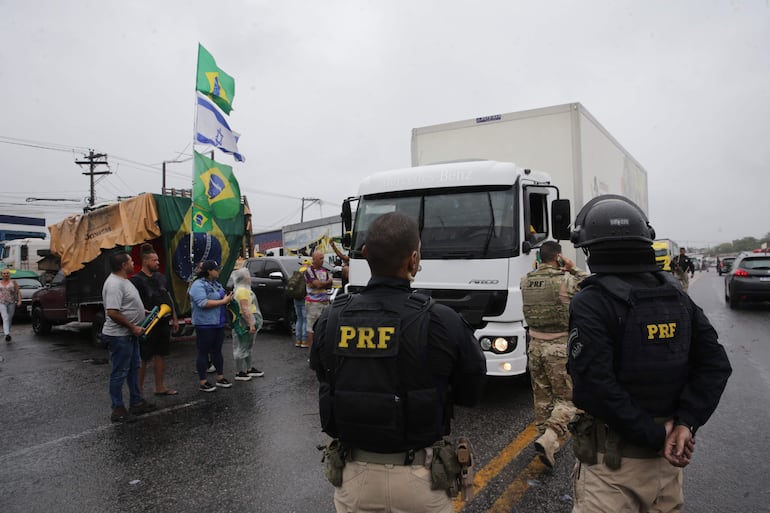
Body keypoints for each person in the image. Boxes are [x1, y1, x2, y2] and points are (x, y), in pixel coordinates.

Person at [310, 212, 487, 513]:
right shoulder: (440, 319)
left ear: (364, 254)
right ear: (414, 260)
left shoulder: (332, 318)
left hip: (354, 479)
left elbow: (323, 374)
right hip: (419, 480)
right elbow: (471, 389)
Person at [566, 195, 732, 513]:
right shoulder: (674, 294)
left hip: (613, 472)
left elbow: (595, 386)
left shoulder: (591, 301)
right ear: (645, 240)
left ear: (589, 248)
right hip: (668, 467)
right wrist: (685, 424)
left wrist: (657, 435)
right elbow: (715, 364)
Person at [520, 241, 588, 467]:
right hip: (558, 347)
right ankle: (550, 437)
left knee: (542, 398)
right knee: (568, 400)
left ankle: (545, 441)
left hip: (535, 347)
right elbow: (591, 284)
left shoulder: (526, 280)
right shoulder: (566, 280)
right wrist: (571, 267)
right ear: (558, 257)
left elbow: (534, 280)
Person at [101, 250, 157, 423]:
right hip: (120, 336)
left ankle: (136, 402)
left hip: (129, 336)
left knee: (134, 368)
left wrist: (143, 312)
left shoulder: (124, 281)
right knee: (120, 371)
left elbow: (126, 305)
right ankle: (117, 408)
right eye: (131, 261)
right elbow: (112, 312)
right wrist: (133, 327)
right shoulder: (114, 284)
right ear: (123, 265)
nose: (134, 263)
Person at [129, 244, 179, 396]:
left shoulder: (161, 277)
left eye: (158, 260)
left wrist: (175, 318)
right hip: (146, 324)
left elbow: (168, 297)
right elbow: (133, 302)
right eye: (154, 260)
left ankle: (160, 387)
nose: (158, 262)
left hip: (163, 323)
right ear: (145, 262)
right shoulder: (136, 280)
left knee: (161, 354)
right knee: (143, 358)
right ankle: (139, 392)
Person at [189, 260, 234, 392]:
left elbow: (221, 295)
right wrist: (223, 301)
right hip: (205, 324)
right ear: (209, 271)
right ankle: (203, 380)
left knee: (217, 351)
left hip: (218, 322)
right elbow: (203, 303)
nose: (218, 271)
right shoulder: (198, 285)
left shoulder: (216, 283)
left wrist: (228, 298)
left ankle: (220, 377)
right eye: (216, 269)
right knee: (203, 351)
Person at [230, 267, 264, 381]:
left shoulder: (242, 289)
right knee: (242, 346)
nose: (250, 277)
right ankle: (239, 372)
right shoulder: (242, 291)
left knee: (248, 346)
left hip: (248, 320)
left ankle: (249, 368)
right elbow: (245, 309)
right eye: (248, 275)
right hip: (245, 321)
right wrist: (251, 324)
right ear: (244, 278)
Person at [303, 249, 333, 348]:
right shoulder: (309, 271)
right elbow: (319, 284)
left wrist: (324, 283)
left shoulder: (324, 270)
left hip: (325, 302)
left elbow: (329, 285)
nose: (322, 260)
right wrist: (326, 282)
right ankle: (312, 350)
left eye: (323, 258)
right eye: (320, 258)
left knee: (325, 326)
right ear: (314, 259)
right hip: (313, 303)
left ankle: (322, 348)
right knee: (312, 326)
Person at [292, 258, 311, 348]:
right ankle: (304, 341)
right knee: (305, 319)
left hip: (296, 298)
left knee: (299, 318)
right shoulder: (308, 273)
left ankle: (298, 340)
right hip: (304, 298)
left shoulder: (297, 273)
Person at [0, 269, 22, 342]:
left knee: (10, 318)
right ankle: (7, 334)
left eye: (7, 273)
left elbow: (18, 292)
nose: (6, 274)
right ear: (1, 275)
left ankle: (8, 332)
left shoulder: (13, 282)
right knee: (5, 317)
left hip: (11, 302)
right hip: (2, 302)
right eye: (4, 273)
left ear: (9, 274)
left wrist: (19, 301)